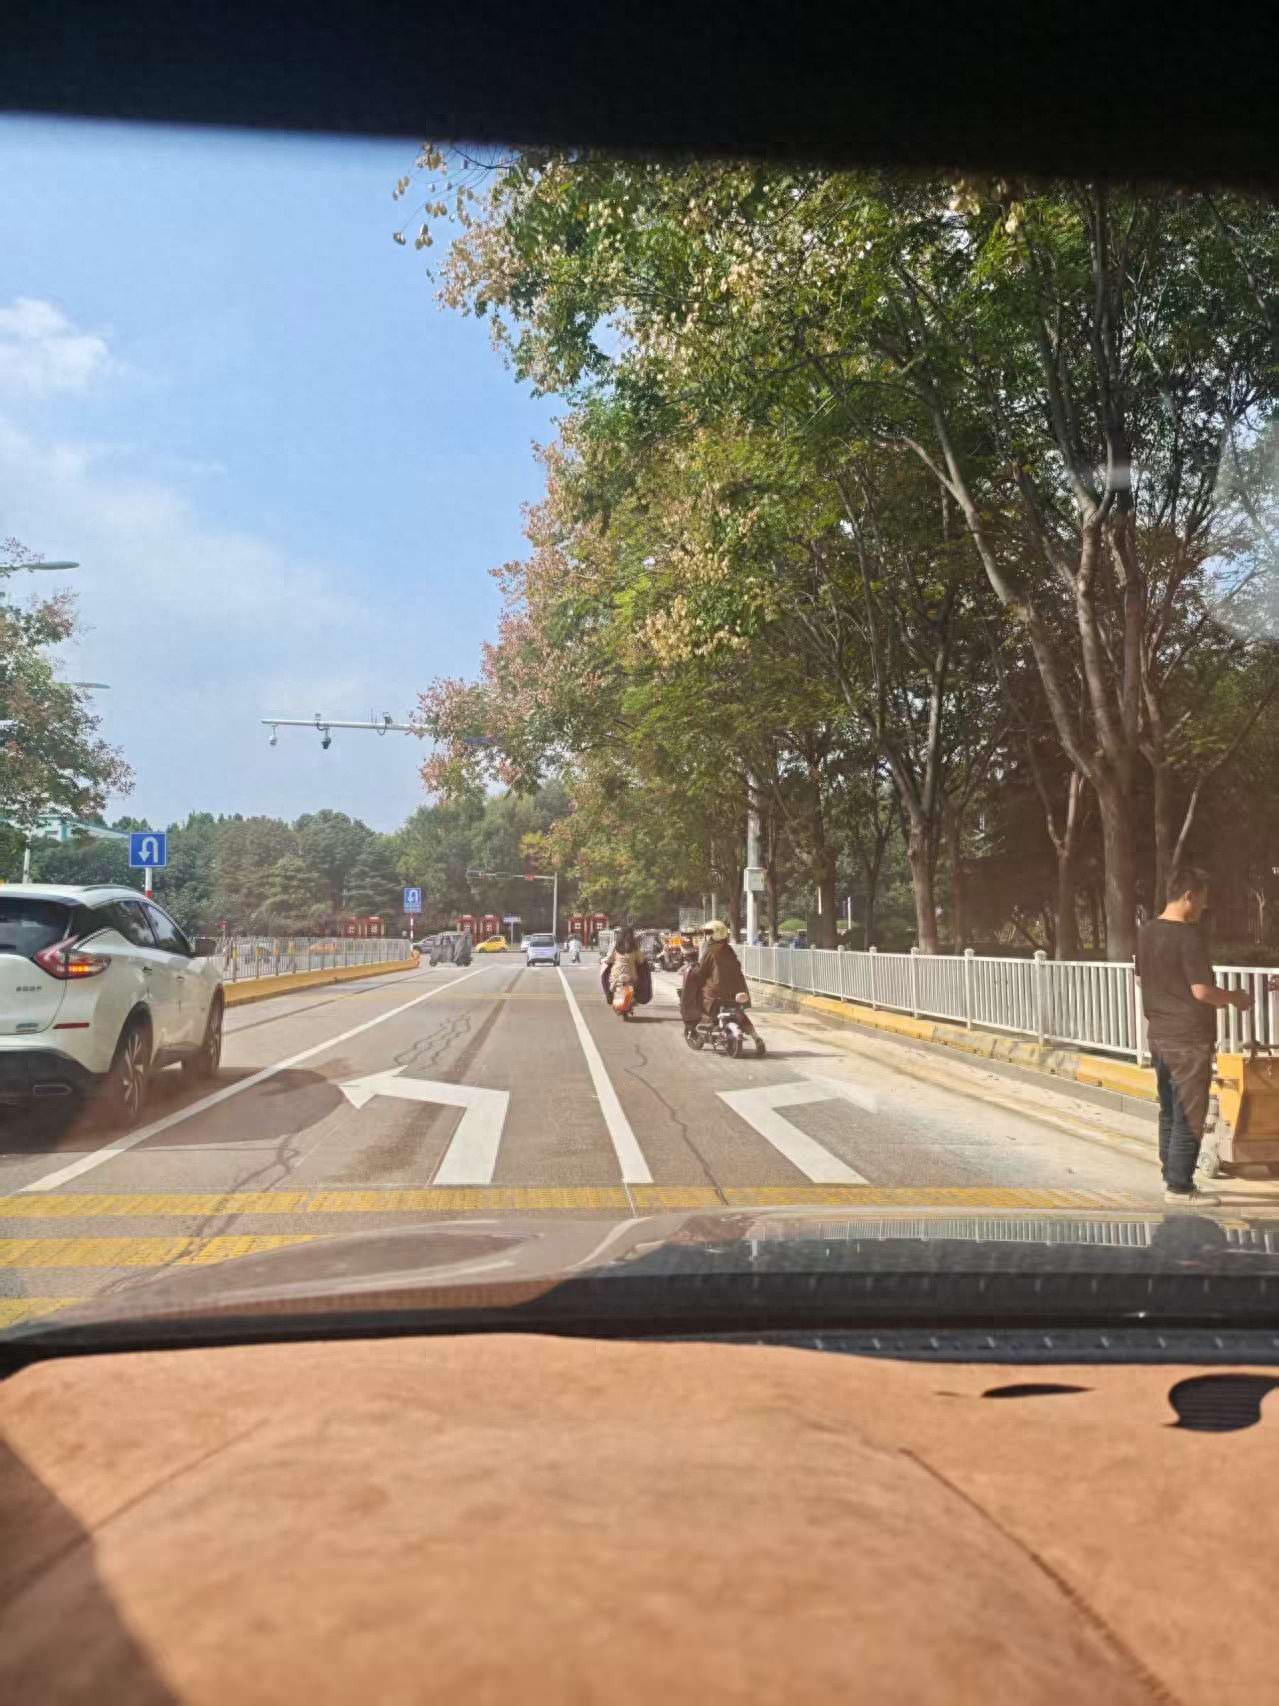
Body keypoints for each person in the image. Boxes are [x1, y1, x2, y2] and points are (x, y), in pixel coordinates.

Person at [1135, 864, 1249, 1207]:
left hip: (1159, 1034)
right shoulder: (1188, 936)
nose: (1203, 907)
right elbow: (1201, 991)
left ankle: (1171, 1176)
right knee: (1189, 1114)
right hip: (1188, 1038)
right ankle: (1180, 1187)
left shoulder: (1147, 932)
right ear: (1188, 896)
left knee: (1170, 1111)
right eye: (1201, 900)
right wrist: (1235, 998)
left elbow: (1141, 978)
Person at [601, 924, 648, 1006]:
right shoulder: (635, 947)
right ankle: (637, 997)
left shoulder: (615, 945)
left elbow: (609, 959)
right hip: (631, 976)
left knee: (604, 976)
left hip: (616, 975)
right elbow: (641, 961)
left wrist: (605, 961)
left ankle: (609, 993)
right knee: (641, 981)